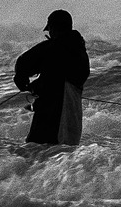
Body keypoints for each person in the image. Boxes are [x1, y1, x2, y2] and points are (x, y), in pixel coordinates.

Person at [14, 9, 90, 145]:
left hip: (52, 113)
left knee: (37, 149)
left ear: (54, 29)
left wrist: (24, 81)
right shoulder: (79, 50)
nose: (49, 33)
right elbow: (61, 77)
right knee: (63, 151)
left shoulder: (54, 48)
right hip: (72, 112)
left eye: (50, 30)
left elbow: (23, 63)